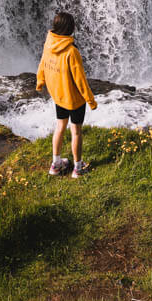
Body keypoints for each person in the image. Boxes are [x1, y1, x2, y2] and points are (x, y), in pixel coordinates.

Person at [36, 11, 97, 178]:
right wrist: (90, 100)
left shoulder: (48, 44)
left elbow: (42, 64)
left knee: (60, 127)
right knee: (76, 131)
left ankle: (55, 165)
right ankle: (78, 168)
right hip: (74, 99)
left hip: (57, 95)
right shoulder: (71, 51)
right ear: (71, 29)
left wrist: (40, 81)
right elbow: (80, 80)